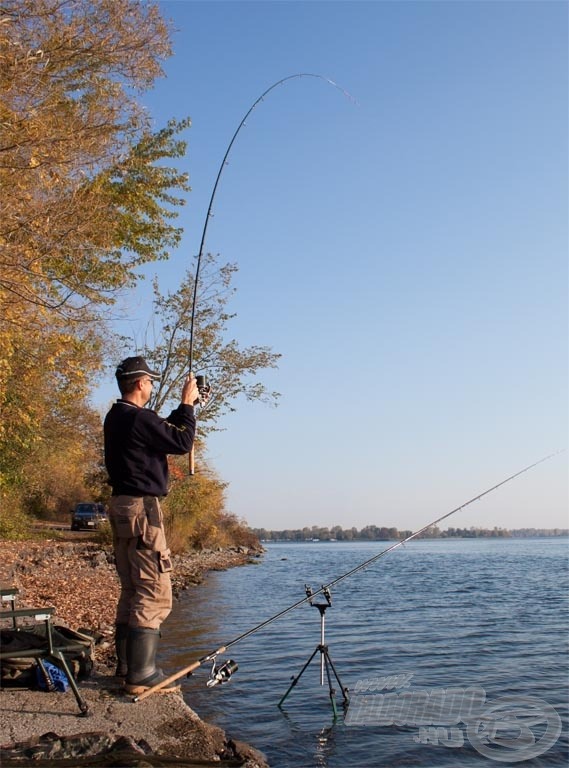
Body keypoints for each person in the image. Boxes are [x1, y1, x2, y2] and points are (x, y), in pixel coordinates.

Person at [104, 356, 200, 695]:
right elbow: (180, 442)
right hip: (142, 510)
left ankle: (126, 668)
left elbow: (160, 432)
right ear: (141, 383)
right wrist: (188, 405)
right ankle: (141, 675)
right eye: (150, 381)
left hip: (121, 506)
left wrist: (183, 408)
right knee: (154, 591)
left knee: (132, 588)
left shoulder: (118, 417)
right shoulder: (136, 418)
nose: (152, 385)